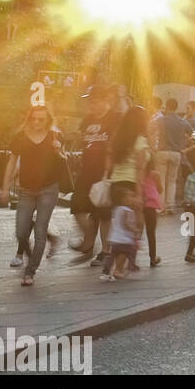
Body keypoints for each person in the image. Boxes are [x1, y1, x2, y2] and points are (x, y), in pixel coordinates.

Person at [0, 106, 64, 286]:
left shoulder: (55, 137)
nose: (36, 122)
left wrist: (58, 150)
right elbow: (11, 163)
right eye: (33, 118)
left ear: (48, 121)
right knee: (21, 231)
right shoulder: (20, 137)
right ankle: (30, 256)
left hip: (48, 189)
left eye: (41, 119)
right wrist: (5, 188)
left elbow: (64, 160)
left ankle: (30, 271)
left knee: (40, 232)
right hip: (26, 190)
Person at [71, 86, 120, 267]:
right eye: (90, 101)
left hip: (105, 171)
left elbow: (116, 144)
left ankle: (106, 252)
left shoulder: (115, 118)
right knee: (77, 205)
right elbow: (82, 139)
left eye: (95, 101)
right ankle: (89, 239)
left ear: (106, 100)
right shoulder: (87, 120)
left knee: (103, 212)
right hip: (86, 170)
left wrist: (109, 170)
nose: (91, 105)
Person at [107, 105, 151, 270]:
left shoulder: (118, 138)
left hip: (115, 185)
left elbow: (109, 164)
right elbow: (140, 169)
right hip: (131, 185)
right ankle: (119, 268)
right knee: (132, 226)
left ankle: (127, 260)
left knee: (121, 224)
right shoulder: (140, 140)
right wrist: (139, 194)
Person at [154, 98, 191, 214]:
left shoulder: (161, 120)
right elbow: (194, 133)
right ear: (176, 107)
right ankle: (170, 205)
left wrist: (152, 144)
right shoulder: (183, 122)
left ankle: (160, 207)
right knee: (172, 180)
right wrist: (189, 144)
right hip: (176, 153)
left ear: (167, 106)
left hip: (162, 152)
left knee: (161, 179)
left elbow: (149, 129)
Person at [98, 183, 141, 282]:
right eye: (130, 197)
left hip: (115, 238)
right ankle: (122, 268)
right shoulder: (127, 210)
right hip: (124, 239)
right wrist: (134, 229)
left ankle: (106, 270)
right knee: (125, 254)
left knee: (113, 255)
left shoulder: (117, 209)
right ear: (123, 199)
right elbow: (126, 223)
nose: (132, 199)